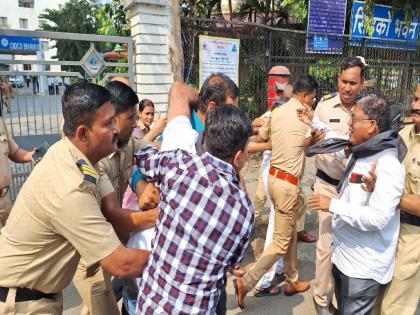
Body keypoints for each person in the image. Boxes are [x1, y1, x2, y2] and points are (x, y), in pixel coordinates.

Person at [0, 81, 150, 314]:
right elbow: (123, 264)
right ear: (83, 133)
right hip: (21, 301)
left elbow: (113, 211)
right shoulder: (71, 187)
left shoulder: (78, 158)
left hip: (36, 293)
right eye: (109, 123)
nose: (117, 129)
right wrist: (189, 256)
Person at [135, 82, 254, 314]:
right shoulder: (244, 210)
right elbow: (232, 260)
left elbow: (143, 155)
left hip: (152, 307)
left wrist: (158, 148)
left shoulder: (178, 164)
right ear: (238, 156)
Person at [309, 95, 406, 315]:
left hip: (362, 268)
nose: (349, 124)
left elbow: (378, 218)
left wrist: (333, 205)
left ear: (372, 126)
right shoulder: (365, 152)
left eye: (354, 119)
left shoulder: (387, 164)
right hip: (345, 259)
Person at [73, 79, 161, 315]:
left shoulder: (127, 142)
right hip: (92, 255)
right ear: (113, 118)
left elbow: (147, 153)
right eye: (131, 117)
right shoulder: (96, 158)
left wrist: (141, 183)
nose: (136, 123)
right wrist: (164, 216)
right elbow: (112, 215)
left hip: (112, 242)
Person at [234, 74, 318, 309]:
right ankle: (248, 281)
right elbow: (313, 143)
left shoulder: (276, 112)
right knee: (280, 242)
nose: (312, 102)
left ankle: (292, 280)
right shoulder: (306, 118)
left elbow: (262, 136)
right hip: (288, 185)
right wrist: (313, 129)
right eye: (312, 98)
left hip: (272, 178)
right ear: (304, 95)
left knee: (288, 229)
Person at [310, 56, 366, 315]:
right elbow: (310, 143)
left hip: (354, 188)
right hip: (326, 184)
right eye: (344, 82)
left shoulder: (366, 111)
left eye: (353, 83)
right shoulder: (324, 106)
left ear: (361, 84)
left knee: (350, 245)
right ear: (337, 80)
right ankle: (320, 299)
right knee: (326, 245)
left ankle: (338, 300)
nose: (347, 88)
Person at [374, 84, 420, 315]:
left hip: (414, 238)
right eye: (414, 98)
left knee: (396, 307)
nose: (415, 105)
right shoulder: (404, 134)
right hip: (389, 228)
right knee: (377, 297)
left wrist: (388, 194)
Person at [0, 115, 35, 230]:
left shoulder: (0, 123)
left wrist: (31, 155)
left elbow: (14, 152)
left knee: (10, 239)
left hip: (5, 198)